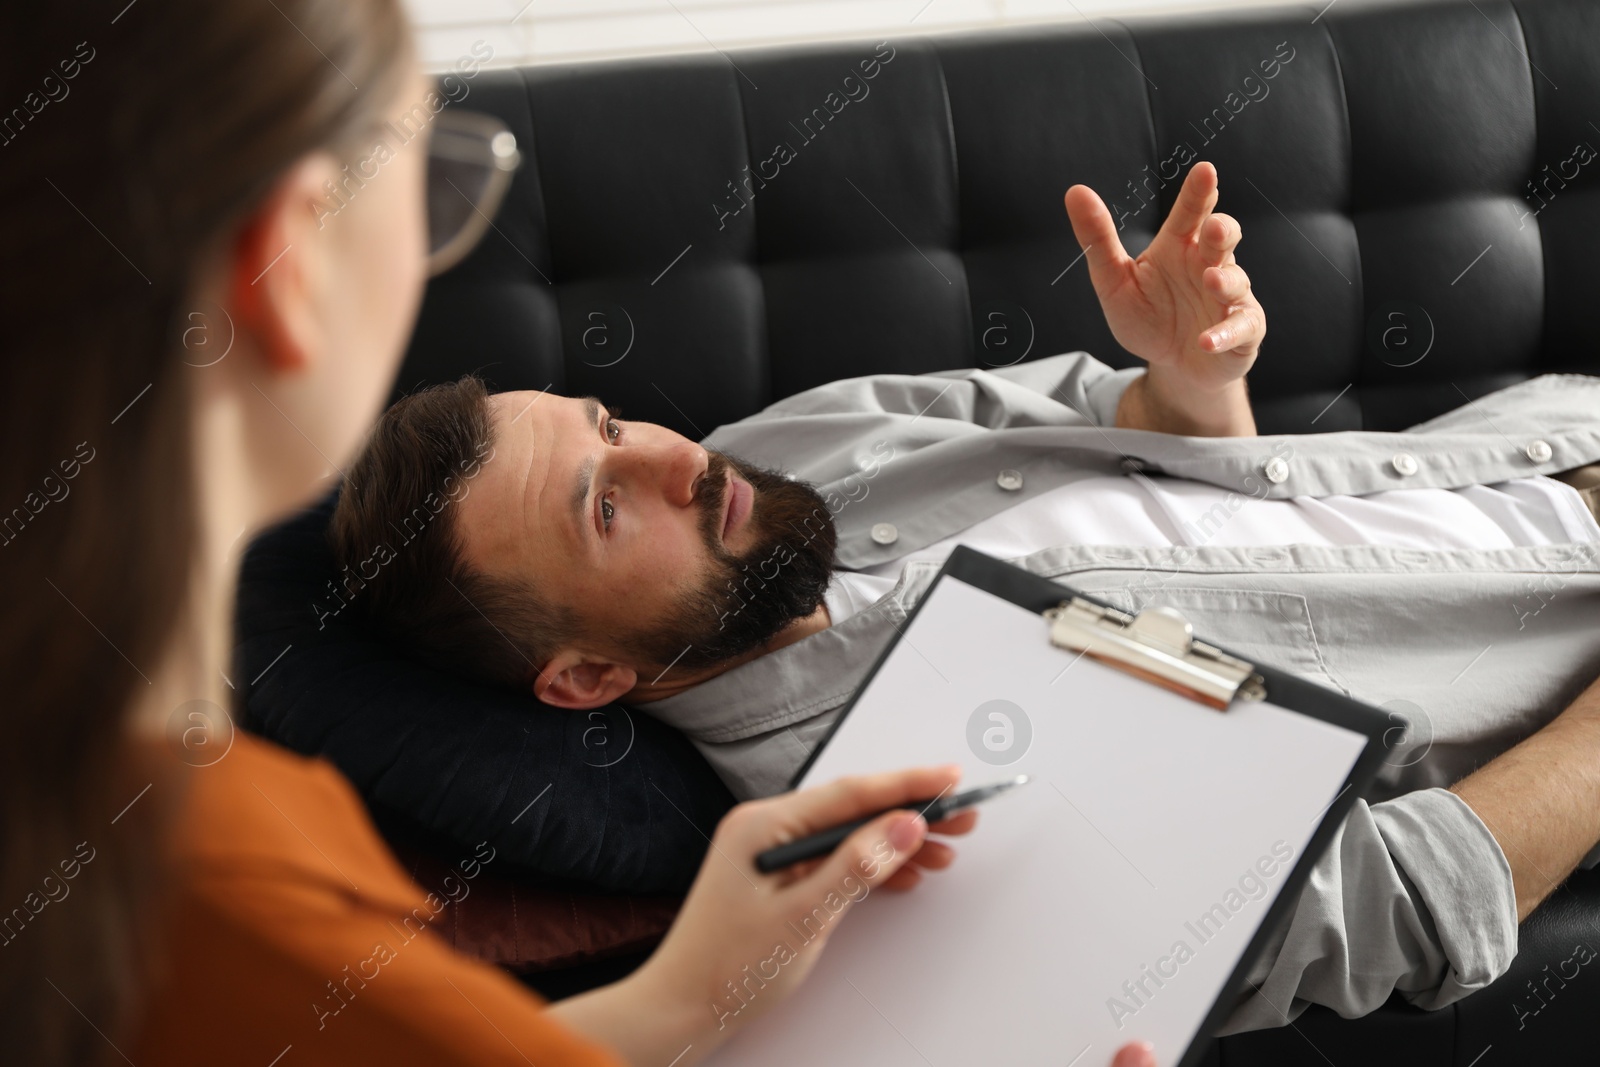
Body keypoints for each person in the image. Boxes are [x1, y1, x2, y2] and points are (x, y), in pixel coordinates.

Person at [0, 2, 1173, 1065]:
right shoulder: (225, 880)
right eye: (433, 187)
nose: (675, 456)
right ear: (289, 267)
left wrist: (677, 1002)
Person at [331, 157, 1600, 1032]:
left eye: (606, 423)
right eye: (602, 507)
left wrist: (1186, 376)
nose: (676, 455)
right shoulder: (914, 818)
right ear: (588, 678)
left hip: (1532, 435)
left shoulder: (801, 450)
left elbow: (1137, 433)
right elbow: (1407, 907)